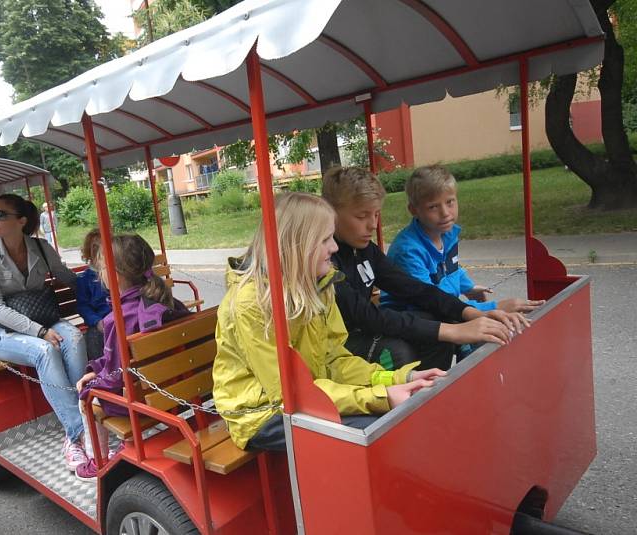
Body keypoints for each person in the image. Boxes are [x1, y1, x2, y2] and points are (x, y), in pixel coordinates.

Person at [212, 193, 447, 452]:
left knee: (391, 423)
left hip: (306, 395)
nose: (334, 248)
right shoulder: (251, 303)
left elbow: (335, 360)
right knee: (371, 433)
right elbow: (290, 394)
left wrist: (400, 377)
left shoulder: (319, 284)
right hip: (260, 414)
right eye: (324, 240)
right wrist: (380, 397)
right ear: (295, 245)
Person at [321, 166, 529, 371]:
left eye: (376, 215)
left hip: (363, 330)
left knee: (438, 321)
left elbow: (415, 289)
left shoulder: (367, 250)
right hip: (336, 344)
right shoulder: (326, 261)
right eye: (361, 216)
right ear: (331, 213)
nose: (372, 225)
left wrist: (469, 312)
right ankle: (408, 399)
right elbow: (367, 317)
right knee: (398, 352)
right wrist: (452, 331)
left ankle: (432, 389)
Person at [0, 194, 88, 472]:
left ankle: (86, 418)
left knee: (74, 337)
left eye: (0, 215)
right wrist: (39, 331)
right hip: (5, 333)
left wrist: (104, 286)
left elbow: (68, 277)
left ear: (21, 220)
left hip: (46, 319)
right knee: (45, 350)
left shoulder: (41, 247)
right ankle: (79, 434)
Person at [75, 234, 189, 480]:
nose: (100, 274)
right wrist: (99, 368)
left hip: (141, 403)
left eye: (102, 268)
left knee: (86, 400)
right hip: (179, 390)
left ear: (114, 275)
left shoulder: (119, 318)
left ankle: (98, 460)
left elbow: (116, 378)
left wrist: (91, 382)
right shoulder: (167, 300)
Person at [383, 165, 544, 315]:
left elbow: (451, 269)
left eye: (450, 202)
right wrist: (494, 308)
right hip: (414, 321)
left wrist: (468, 288)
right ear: (414, 210)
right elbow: (432, 302)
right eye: (433, 206)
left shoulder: (446, 233)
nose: (445, 213)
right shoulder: (409, 252)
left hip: (442, 312)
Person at [76, 229, 111, 361]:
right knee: (94, 338)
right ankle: (100, 371)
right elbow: (83, 306)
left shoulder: (116, 272)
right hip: (100, 321)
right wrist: (96, 321)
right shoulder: (85, 279)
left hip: (119, 317)